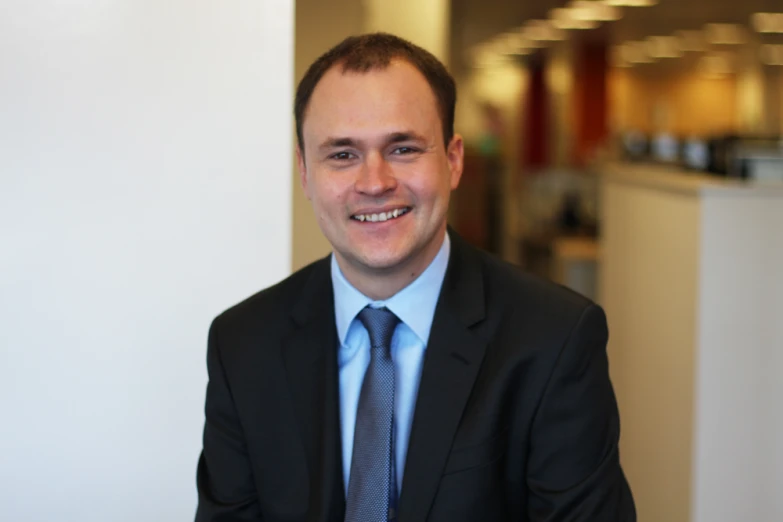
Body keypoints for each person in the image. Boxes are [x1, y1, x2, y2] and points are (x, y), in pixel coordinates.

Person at [195, 33, 635, 522]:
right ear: (304, 173)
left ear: (453, 160)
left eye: (403, 148)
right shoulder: (243, 344)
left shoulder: (553, 340)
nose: (375, 182)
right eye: (342, 154)